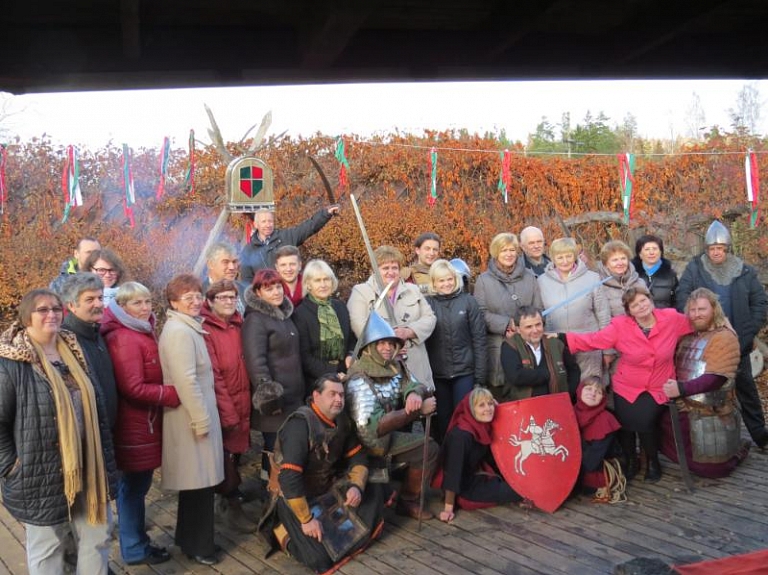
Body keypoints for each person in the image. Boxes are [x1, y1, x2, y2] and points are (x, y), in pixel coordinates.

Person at [0, 288, 117, 574]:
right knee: (49, 545)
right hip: (40, 472)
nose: (51, 314)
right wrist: (11, 466)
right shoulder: (12, 361)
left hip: (89, 466)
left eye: (55, 308)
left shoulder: (75, 351)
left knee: (97, 537)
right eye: (42, 309)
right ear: (27, 317)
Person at [564, 286, 692, 483]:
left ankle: (652, 462)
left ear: (650, 300)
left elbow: (697, 324)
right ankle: (631, 461)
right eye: (634, 305)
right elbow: (594, 340)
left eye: (643, 301)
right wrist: (562, 338)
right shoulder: (620, 326)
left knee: (645, 421)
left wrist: (721, 323)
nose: (641, 306)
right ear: (629, 311)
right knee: (624, 423)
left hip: (659, 385)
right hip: (627, 385)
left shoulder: (671, 319)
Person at [263, 374, 384, 573]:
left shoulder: (341, 421)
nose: (339, 399)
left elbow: (358, 456)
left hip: (326, 489)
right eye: (332, 394)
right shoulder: (299, 425)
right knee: (321, 559)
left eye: (342, 395)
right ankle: (281, 530)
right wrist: (306, 520)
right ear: (316, 396)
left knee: (376, 487)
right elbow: (289, 478)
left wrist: (356, 486)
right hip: (293, 499)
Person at [100, 282, 179, 565]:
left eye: (147, 302)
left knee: (134, 487)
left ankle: (136, 543)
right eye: (137, 303)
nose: (145, 308)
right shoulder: (124, 338)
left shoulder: (140, 331)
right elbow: (132, 387)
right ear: (122, 308)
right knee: (133, 488)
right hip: (135, 426)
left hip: (144, 423)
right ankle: (134, 548)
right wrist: (172, 394)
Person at [676, 220, 768, 448]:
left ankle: (760, 436)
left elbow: (760, 302)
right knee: (705, 392)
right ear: (706, 249)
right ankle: (708, 443)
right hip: (705, 346)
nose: (716, 253)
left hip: (739, 343)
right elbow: (682, 296)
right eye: (712, 249)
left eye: (721, 249)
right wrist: (696, 324)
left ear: (727, 249)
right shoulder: (695, 268)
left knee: (747, 391)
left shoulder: (744, 271)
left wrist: (748, 331)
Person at [345, 311, 438, 520]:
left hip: (387, 438)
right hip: (365, 446)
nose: (387, 348)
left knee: (428, 447)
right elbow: (371, 430)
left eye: (390, 343)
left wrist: (414, 393)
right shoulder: (359, 378)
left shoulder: (396, 366)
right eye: (381, 344)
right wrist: (413, 411)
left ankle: (408, 500)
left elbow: (416, 384)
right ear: (369, 347)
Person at [159, 274, 224, 565]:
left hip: (194, 414)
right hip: (191, 418)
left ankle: (189, 539)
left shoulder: (186, 327)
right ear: (174, 302)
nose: (196, 301)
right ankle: (199, 545)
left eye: (198, 296)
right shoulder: (179, 332)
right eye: (189, 298)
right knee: (200, 484)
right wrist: (201, 420)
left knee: (196, 483)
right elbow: (186, 380)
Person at [661, 288, 748, 478]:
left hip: (710, 410)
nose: (696, 314)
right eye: (692, 310)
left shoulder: (724, 337)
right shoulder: (686, 337)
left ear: (714, 309)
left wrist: (681, 388)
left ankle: (739, 451)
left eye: (702, 309)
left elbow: (716, 378)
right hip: (683, 406)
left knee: (714, 470)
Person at [200, 280, 255, 533]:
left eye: (232, 297)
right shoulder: (206, 330)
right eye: (221, 297)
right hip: (225, 401)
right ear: (210, 301)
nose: (228, 301)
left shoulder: (239, 324)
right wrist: (228, 410)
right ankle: (228, 503)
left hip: (243, 396)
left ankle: (229, 500)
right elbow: (215, 376)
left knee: (235, 454)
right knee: (225, 456)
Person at [347, 245, 436, 390]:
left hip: (415, 365)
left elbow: (430, 318)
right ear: (375, 270)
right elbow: (359, 325)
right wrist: (390, 345)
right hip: (379, 368)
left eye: (394, 267)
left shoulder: (413, 290)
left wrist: (408, 332)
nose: (390, 272)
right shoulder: (361, 292)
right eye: (385, 268)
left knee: (420, 404)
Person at [243, 269, 304, 473]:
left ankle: (280, 493)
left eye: (278, 287)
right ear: (258, 293)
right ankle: (270, 493)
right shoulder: (256, 320)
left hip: (293, 397)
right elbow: (256, 361)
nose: (277, 292)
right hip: (275, 402)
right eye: (269, 289)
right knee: (274, 451)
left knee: (287, 451)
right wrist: (269, 398)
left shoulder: (284, 316)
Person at [435, 387, 522, 523]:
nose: (488, 408)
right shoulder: (461, 436)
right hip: (465, 490)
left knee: (519, 483)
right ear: (471, 409)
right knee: (519, 490)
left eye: (490, 403)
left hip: (479, 476)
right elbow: (452, 472)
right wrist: (448, 508)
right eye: (481, 405)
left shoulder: (481, 425)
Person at [425, 259, 487, 441]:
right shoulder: (427, 304)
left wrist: (480, 376)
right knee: (443, 421)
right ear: (434, 283)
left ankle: (467, 459)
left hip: (464, 372)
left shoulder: (468, 302)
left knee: (465, 418)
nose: (446, 284)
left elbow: (479, 339)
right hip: (438, 374)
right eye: (441, 280)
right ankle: (445, 461)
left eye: (449, 279)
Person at [474, 232, 542, 399]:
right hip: (498, 347)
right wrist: (506, 324)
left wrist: (526, 327)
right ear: (496, 252)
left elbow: (538, 308)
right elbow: (480, 313)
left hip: (529, 344)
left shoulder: (530, 277)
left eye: (512, 250)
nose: (509, 254)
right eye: (504, 250)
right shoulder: (483, 281)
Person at [537, 237, 610, 379]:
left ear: (575, 256)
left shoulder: (592, 278)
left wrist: (608, 350)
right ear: (552, 258)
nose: (565, 261)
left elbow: (603, 314)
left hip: (588, 345)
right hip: (557, 347)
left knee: (589, 392)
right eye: (560, 257)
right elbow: (539, 315)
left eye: (569, 256)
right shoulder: (541, 281)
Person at [60, 273, 118, 430]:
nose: (98, 304)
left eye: (100, 298)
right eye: (89, 300)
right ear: (72, 305)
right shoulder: (65, 341)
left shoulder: (97, 334)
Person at [292, 259, 356, 387]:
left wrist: (350, 355)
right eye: (317, 280)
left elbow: (351, 339)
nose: (323, 284)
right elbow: (304, 357)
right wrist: (334, 373)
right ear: (308, 284)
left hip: (347, 375)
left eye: (326, 279)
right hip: (317, 382)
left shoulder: (340, 307)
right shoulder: (300, 313)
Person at [240, 205, 339, 283]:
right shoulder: (248, 251)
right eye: (264, 222)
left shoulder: (286, 236)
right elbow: (247, 281)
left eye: (270, 221)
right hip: (265, 301)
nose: (268, 225)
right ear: (256, 225)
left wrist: (325, 214)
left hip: (291, 297)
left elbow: (308, 227)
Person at [500, 306, 580, 401]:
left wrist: (567, 395)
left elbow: (574, 371)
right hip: (524, 408)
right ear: (518, 329)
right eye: (529, 327)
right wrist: (547, 374)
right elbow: (516, 376)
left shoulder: (556, 343)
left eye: (538, 324)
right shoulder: (510, 345)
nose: (535, 330)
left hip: (557, 405)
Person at [574, 377, 622, 499]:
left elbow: (591, 462)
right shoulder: (571, 412)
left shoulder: (606, 420)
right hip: (572, 466)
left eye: (598, 392)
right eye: (589, 388)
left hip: (591, 475)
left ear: (603, 398)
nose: (593, 393)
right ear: (580, 390)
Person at [598, 240, 646, 318]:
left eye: (623, 258)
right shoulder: (600, 287)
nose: (620, 263)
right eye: (615, 260)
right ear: (606, 264)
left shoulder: (640, 282)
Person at [632, 234, 678, 309]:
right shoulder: (632, 274)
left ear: (660, 252)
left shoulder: (670, 275)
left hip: (665, 318)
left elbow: (676, 300)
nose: (651, 252)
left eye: (655, 248)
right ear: (640, 254)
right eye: (647, 249)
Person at [202, 241, 248, 314]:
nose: (232, 267)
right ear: (210, 264)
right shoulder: (199, 294)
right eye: (225, 262)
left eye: (234, 262)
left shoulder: (246, 291)